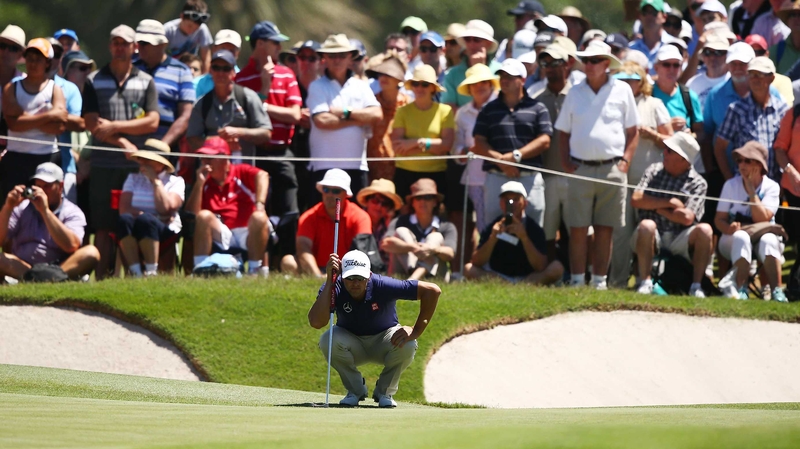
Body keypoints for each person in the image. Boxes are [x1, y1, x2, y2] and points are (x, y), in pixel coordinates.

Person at [555, 40, 640, 289]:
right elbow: (563, 132)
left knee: (606, 228)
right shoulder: (575, 91)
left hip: (612, 168)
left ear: (606, 64)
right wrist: (566, 163)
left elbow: (634, 131)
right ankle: (578, 280)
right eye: (586, 60)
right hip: (580, 167)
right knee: (578, 228)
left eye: (594, 61)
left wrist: (625, 161)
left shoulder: (622, 90)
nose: (588, 65)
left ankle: (600, 281)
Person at [308, 249, 441, 408]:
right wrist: (330, 281)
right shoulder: (334, 286)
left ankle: (384, 392)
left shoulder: (383, 284)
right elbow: (316, 322)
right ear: (342, 276)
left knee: (408, 344)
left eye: (360, 278)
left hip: (384, 340)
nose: (355, 283)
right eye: (350, 278)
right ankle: (355, 391)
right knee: (327, 340)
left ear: (369, 275)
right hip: (351, 342)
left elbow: (432, 291)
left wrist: (416, 330)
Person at [82, 24, 160, 279]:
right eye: (115, 42)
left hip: (134, 167)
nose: (119, 47)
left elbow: (152, 121)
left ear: (134, 47)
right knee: (103, 228)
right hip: (104, 164)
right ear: (109, 46)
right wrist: (124, 141)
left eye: (124, 43)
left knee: (133, 224)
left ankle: (130, 283)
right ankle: (102, 282)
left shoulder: (146, 81)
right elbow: (93, 124)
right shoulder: (94, 80)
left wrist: (115, 127)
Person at [609, 61, 674, 288]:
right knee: (620, 233)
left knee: (647, 230)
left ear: (642, 82)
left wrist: (654, 135)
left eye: (632, 79)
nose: (628, 84)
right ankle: (617, 282)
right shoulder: (613, 103)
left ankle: (644, 281)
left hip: (649, 182)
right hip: (621, 178)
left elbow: (672, 140)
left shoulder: (654, 104)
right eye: (623, 80)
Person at [473, 58, 552, 229]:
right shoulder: (488, 109)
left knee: (532, 230)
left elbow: (545, 140)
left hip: (528, 178)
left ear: (522, 80)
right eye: (502, 76)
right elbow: (479, 142)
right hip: (496, 178)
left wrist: (516, 157)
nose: (505, 80)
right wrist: (502, 161)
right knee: (494, 229)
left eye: (510, 77)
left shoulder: (538, 108)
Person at [630, 133, 712, 297]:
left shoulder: (698, 183)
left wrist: (654, 206)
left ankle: (696, 286)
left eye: (669, 151)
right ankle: (645, 283)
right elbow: (636, 199)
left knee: (705, 230)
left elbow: (688, 218)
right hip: (652, 235)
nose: (664, 153)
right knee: (647, 225)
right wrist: (669, 203)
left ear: (684, 159)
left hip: (679, 237)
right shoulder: (654, 170)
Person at [307, 35, 382, 204]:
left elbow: (377, 114)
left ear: (350, 57)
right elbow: (321, 121)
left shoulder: (361, 86)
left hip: (356, 167)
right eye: (332, 56)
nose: (337, 60)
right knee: (322, 221)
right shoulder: (317, 86)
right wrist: (359, 118)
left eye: (342, 55)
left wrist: (344, 112)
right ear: (324, 58)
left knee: (354, 220)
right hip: (323, 167)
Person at [185, 137, 272, 276]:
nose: (205, 162)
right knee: (203, 216)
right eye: (203, 158)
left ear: (225, 158)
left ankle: (254, 271)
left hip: (246, 231)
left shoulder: (240, 171)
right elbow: (193, 215)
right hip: (223, 232)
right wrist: (199, 184)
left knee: (259, 217)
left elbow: (262, 175)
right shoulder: (205, 182)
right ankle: (200, 269)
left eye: (209, 158)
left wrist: (260, 204)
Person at [0, 162, 99, 281]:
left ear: (60, 186)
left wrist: (45, 211)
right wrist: (8, 207)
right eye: (38, 186)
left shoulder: (72, 212)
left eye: (47, 186)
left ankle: (50, 279)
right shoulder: (22, 207)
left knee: (91, 252)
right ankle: (36, 279)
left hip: (59, 268)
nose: (42, 191)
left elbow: (71, 246)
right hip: (23, 268)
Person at [715, 141, 787, 301]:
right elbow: (719, 219)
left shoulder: (772, 187)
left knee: (769, 239)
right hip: (733, 238)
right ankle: (741, 289)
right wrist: (729, 228)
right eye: (739, 160)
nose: (742, 164)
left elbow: (762, 218)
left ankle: (777, 291)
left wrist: (751, 191)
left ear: (760, 164)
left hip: (762, 235)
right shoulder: (730, 185)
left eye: (747, 160)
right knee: (741, 237)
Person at [1, 38, 67, 201]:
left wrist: (25, 120)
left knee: (43, 206)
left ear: (47, 63)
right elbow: (13, 125)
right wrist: (49, 116)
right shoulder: (12, 88)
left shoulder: (54, 90)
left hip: (46, 157)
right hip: (16, 157)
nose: (33, 63)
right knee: (12, 205)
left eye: (38, 59)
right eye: (30, 59)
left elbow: (59, 126)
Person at [450, 63, 499, 277]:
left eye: (483, 82)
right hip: (476, 177)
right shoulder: (463, 113)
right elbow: (456, 147)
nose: (479, 87)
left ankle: (499, 266)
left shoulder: (500, 106)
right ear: (469, 89)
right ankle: (485, 268)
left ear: (490, 84)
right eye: (474, 84)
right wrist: (463, 151)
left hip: (500, 174)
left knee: (498, 221)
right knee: (481, 224)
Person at [465, 180, 563, 284]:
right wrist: (493, 238)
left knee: (556, 268)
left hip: (528, 277)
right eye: (506, 200)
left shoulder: (534, 228)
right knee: (468, 269)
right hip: (498, 276)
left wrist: (524, 238)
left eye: (516, 199)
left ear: (525, 203)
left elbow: (541, 266)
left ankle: (520, 285)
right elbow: (476, 262)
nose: (511, 204)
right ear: (501, 203)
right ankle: (507, 285)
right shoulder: (493, 226)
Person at [186, 50, 272, 164]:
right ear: (210, 71)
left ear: (233, 72)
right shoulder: (202, 103)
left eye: (226, 69)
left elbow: (266, 133)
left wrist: (239, 132)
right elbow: (192, 139)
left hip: (242, 171)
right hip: (212, 171)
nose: (220, 73)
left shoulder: (247, 97)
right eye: (216, 68)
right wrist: (218, 142)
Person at [283, 169, 371, 277]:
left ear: (346, 194)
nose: (329, 194)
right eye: (326, 189)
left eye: (335, 191)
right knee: (288, 261)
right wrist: (318, 276)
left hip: (348, 269)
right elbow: (303, 248)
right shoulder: (309, 216)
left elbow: (361, 252)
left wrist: (339, 275)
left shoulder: (360, 217)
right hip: (315, 268)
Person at [715, 56, 788, 182]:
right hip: (743, 183)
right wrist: (730, 180)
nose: (755, 79)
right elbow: (720, 147)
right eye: (752, 74)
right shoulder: (736, 110)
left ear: (771, 78)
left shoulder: (782, 110)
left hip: (774, 184)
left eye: (760, 74)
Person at [530, 44, 572, 264]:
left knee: (576, 230)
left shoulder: (577, 95)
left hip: (575, 173)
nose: (550, 68)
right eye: (545, 64)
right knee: (548, 232)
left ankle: (577, 276)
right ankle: (551, 274)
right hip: (546, 173)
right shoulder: (535, 98)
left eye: (555, 63)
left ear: (566, 65)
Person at [117, 139, 184, 277]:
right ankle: (136, 272)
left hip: (164, 229)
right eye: (142, 159)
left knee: (146, 220)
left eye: (148, 160)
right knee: (125, 220)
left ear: (160, 163)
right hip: (136, 224)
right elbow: (124, 209)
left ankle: (152, 271)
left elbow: (165, 208)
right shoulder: (133, 178)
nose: (142, 163)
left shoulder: (175, 182)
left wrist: (155, 181)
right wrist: (143, 214)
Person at [390, 64, 454, 200]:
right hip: (404, 174)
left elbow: (447, 145)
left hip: (436, 174)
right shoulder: (402, 111)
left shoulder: (445, 111)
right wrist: (433, 148)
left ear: (433, 88)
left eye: (424, 84)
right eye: (415, 84)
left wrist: (417, 143)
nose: (419, 88)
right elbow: (397, 147)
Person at [133, 20, 196, 149]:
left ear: (162, 45)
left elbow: (186, 115)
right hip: (131, 148)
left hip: (167, 149)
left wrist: (162, 146)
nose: (140, 47)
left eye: (145, 43)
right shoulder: (131, 68)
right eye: (139, 43)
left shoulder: (181, 71)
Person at [380, 178, 456, 280]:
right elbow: (386, 244)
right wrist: (413, 247)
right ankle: (415, 276)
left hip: (436, 276)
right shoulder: (400, 221)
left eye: (428, 197)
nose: (423, 201)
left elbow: (450, 253)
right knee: (401, 232)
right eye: (418, 197)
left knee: (435, 237)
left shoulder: (446, 225)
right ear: (412, 202)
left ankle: (413, 279)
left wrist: (433, 249)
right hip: (404, 271)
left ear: (435, 202)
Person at [651, 45, 704, 166]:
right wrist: (668, 127)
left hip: (682, 164)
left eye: (676, 65)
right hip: (653, 161)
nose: (671, 69)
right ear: (656, 67)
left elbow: (701, 132)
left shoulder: (689, 96)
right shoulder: (648, 93)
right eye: (666, 64)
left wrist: (691, 136)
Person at [365, 51, 409, 182]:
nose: (384, 77)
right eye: (381, 73)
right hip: (373, 170)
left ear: (399, 79)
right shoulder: (370, 103)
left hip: (402, 171)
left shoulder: (409, 105)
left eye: (389, 74)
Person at [289, 40, 321, 213]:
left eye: (312, 58)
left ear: (320, 61)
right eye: (302, 57)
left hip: (318, 157)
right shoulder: (290, 86)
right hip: (294, 155)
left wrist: (316, 121)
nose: (306, 62)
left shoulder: (324, 89)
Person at [442, 20, 503, 109]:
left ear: (488, 43)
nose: (471, 44)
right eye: (467, 39)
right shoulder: (452, 74)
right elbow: (449, 107)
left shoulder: (501, 71)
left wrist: (479, 70)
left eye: (476, 40)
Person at [356, 178, 404, 269]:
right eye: (375, 201)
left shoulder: (391, 223)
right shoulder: (356, 218)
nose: (379, 206)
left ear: (389, 208)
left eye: (385, 204)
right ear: (367, 201)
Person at [164, 0, 213, 73]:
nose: (192, 31)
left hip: (190, 70)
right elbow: (158, 54)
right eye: (190, 26)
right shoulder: (168, 30)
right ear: (182, 16)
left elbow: (206, 58)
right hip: (168, 69)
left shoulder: (202, 29)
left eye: (196, 28)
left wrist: (204, 79)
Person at [193, 29, 241, 99]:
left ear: (238, 53)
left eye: (232, 51)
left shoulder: (244, 80)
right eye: (223, 49)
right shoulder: (197, 84)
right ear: (213, 49)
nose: (227, 54)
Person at [629, 0, 674, 74]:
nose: (649, 16)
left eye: (654, 12)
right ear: (639, 16)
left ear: (664, 17)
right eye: (645, 12)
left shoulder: (673, 45)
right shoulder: (631, 49)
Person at [685, 34, 730, 107]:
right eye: (708, 52)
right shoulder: (693, 83)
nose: (712, 57)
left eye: (718, 52)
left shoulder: (733, 81)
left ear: (727, 56)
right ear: (703, 56)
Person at [770, 0, 800, 75]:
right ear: (787, 19)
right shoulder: (775, 51)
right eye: (792, 15)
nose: (796, 18)